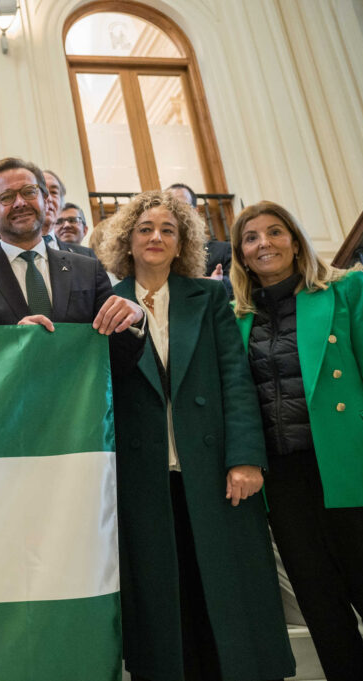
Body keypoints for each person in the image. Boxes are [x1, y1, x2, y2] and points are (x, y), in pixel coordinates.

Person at [96, 190, 294, 681]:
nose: (157, 237)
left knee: (227, 594)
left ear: (182, 241)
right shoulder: (106, 301)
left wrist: (246, 458)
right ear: (128, 239)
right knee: (165, 599)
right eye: (145, 229)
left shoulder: (208, 296)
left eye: (168, 229)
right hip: (144, 476)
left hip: (214, 471)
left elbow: (235, 379)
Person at [231, 201, 363, 681]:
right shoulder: (236, 318)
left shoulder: (346, 289)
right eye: (251, 238)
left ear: (295, 240)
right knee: (320, 603)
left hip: (348, 464)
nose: (264, 243)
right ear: (241, 255)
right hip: (284, 478)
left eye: (275, 232)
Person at [0, 157, 144, 350]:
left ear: (46, 201)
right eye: (7, 196)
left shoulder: (87, 269)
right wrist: (13, 342)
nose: (19, 203)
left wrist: (135, 320)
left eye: (29, 192)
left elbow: (115, 353)